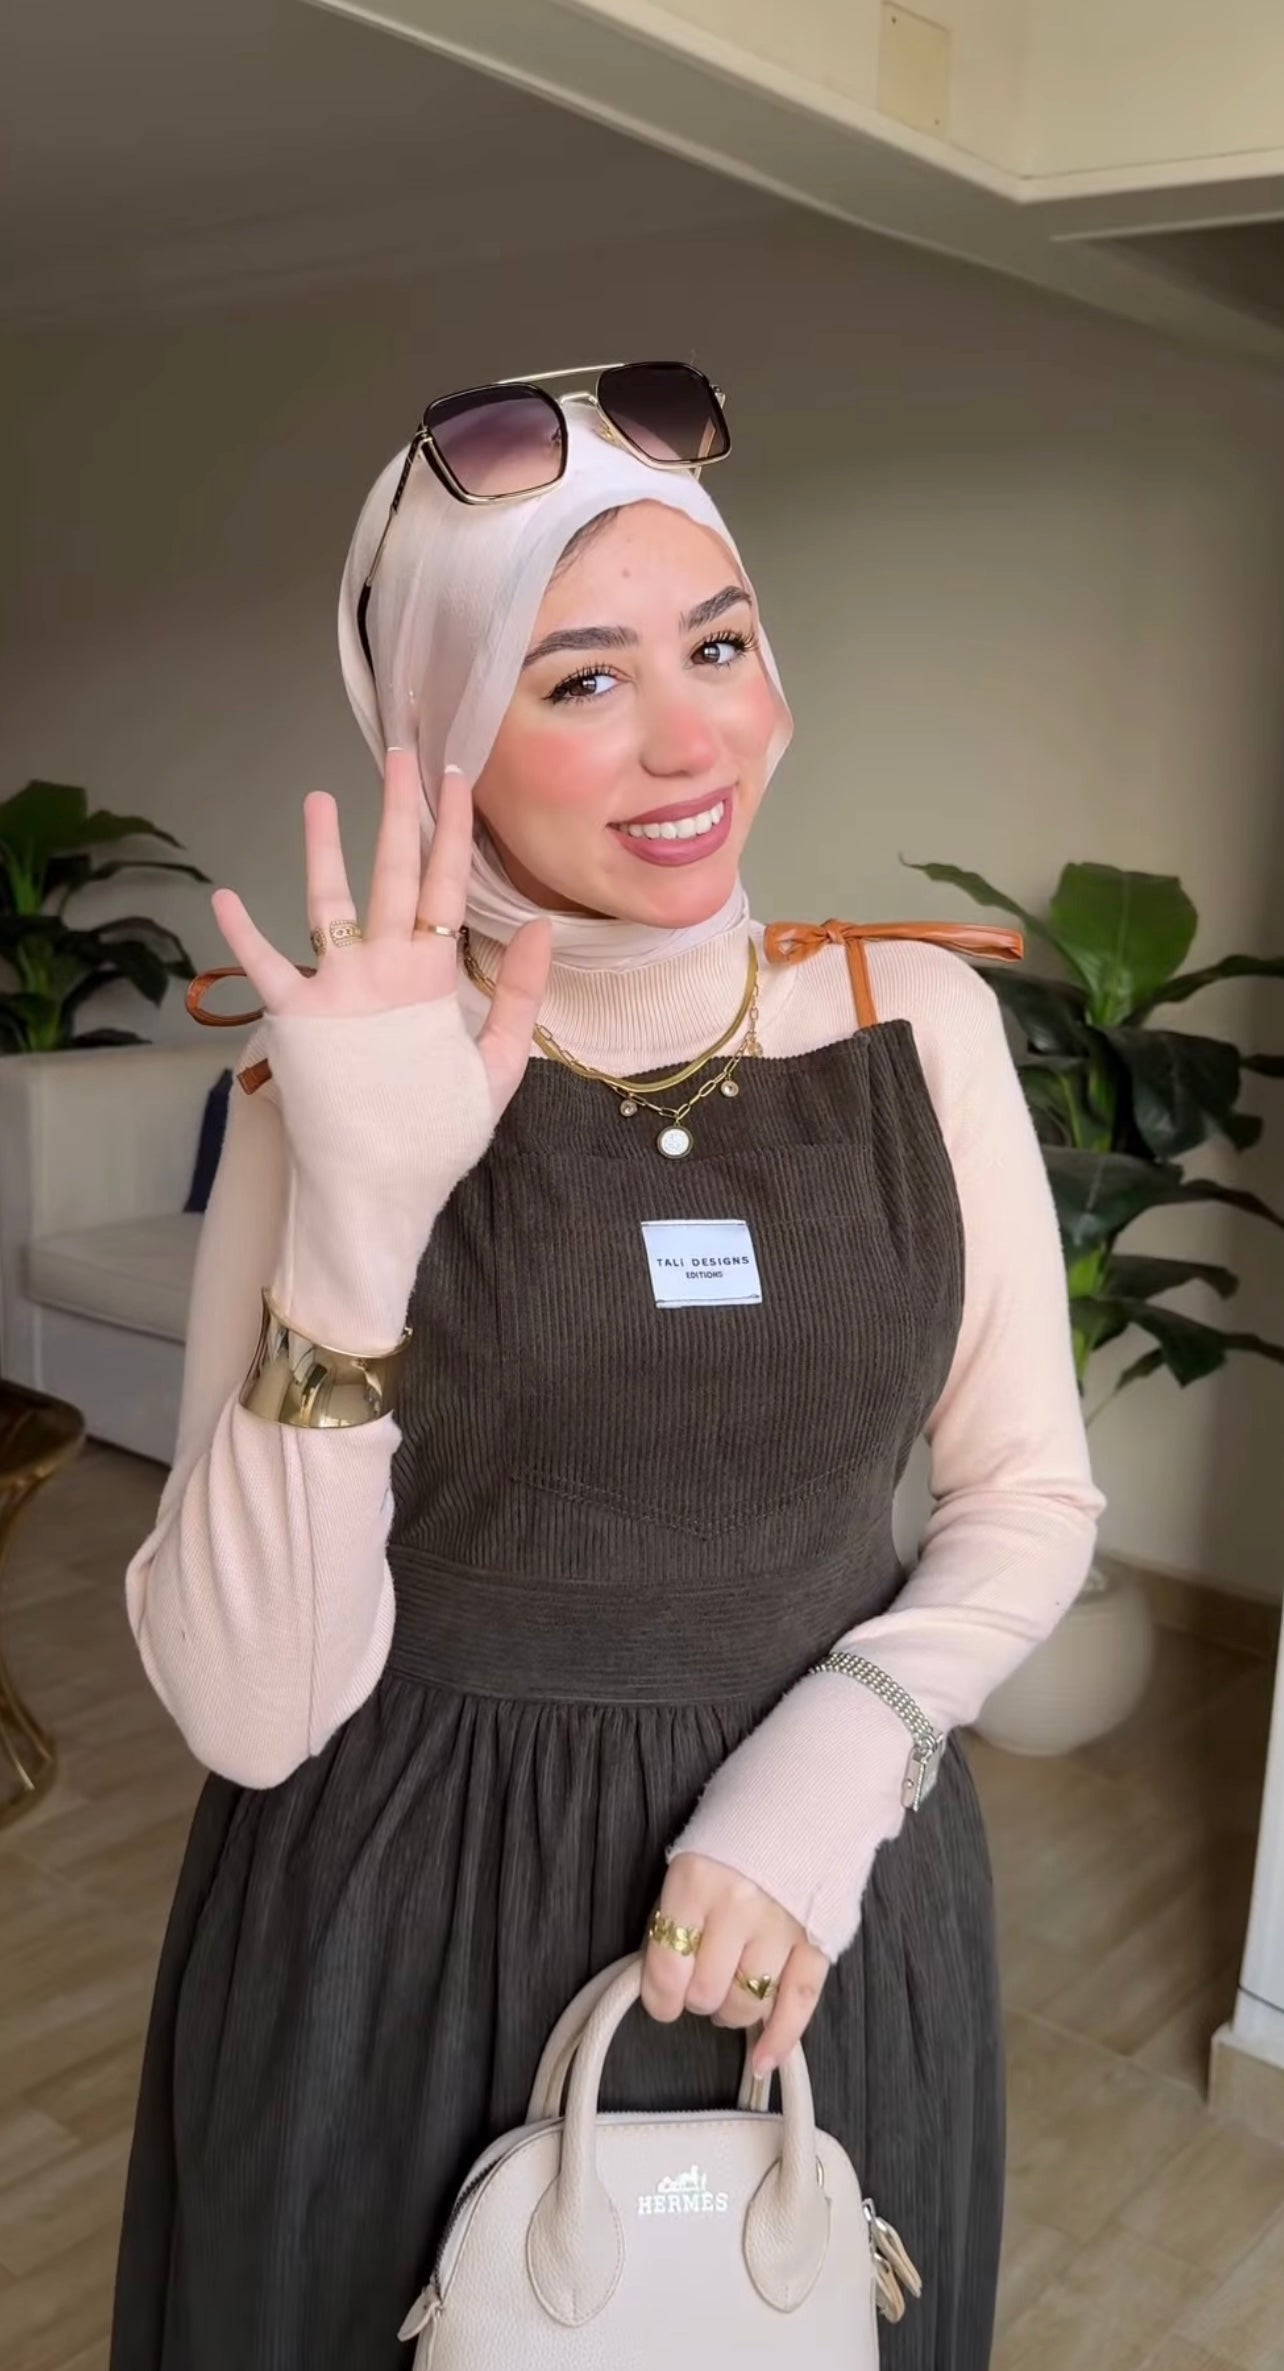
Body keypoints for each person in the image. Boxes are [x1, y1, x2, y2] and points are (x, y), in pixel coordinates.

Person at [110, 362, 1103, 2371]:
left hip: (816, 1909)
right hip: (399, 1923)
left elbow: (1030, 1495)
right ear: (443, 746)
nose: (689, 739)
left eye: (718, 646)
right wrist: (360, 1220)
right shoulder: (335, 1089)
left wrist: (837, 1768)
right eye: (580, 680)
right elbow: (251, 1710)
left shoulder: (915, 1021)